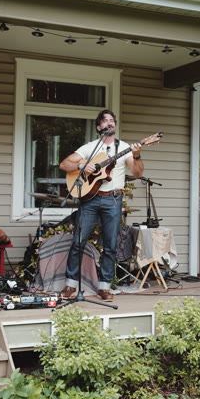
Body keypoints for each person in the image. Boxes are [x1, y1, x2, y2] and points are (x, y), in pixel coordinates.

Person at [58, 109, 144, 302]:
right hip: (89, 199)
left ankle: (104, 286)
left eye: (112, 120)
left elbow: (137, 173)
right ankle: (71, 284)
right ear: (99, 127)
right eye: (105, 121)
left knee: (111, 245)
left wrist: (137, 155)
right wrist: (81, 166)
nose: (109, 123)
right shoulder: (90, 148)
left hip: (113, 199)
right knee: (78, 241)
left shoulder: (123, 148)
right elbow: (64, 165)